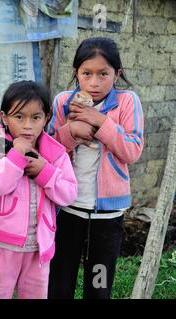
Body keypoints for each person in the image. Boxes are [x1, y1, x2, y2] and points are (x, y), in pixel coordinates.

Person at [47, 37, 144, 299]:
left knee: (98, 287)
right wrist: (71, 131)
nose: (94, 82)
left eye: (104, 74)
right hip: (67, 209)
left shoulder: (127, 102)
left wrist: (100, 121)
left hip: (107, 216)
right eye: (86, 74)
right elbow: (49, 151)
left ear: (117, 74)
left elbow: (132, 150)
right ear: (75, 73)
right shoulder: (63, 102)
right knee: (59, 284)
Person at [0, 81, 78, 299]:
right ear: (5, 118)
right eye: (19, 117)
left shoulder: (55, 153)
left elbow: (69, 194)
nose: (27, 126)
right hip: (1, 245)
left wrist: (45, 171)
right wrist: (16, 156)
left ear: (47, 117)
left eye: (35, 117)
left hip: (38, 248)